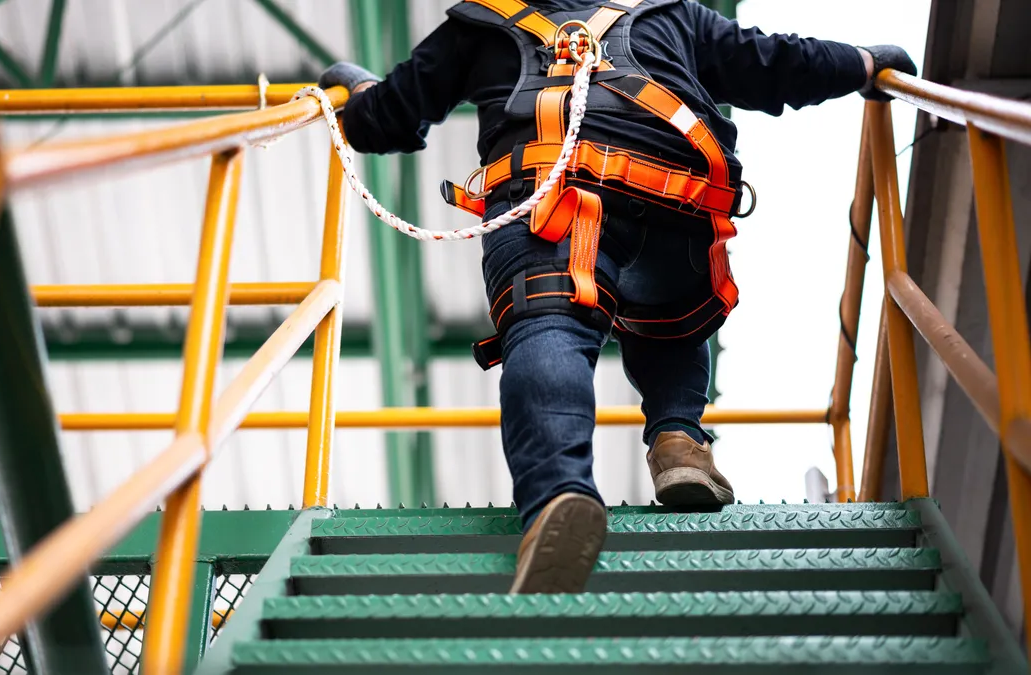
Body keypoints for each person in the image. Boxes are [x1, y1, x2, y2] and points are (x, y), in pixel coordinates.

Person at [319, 0, 916, 594]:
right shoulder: (670, 15)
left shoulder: (478, 27)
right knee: (671, 322)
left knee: (548, 330)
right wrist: (865, 66)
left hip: (552, 204)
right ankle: (679, 438)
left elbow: (387, 119)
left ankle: (559, 493)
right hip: (678, 202)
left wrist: (354, 91)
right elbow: (774, 61)